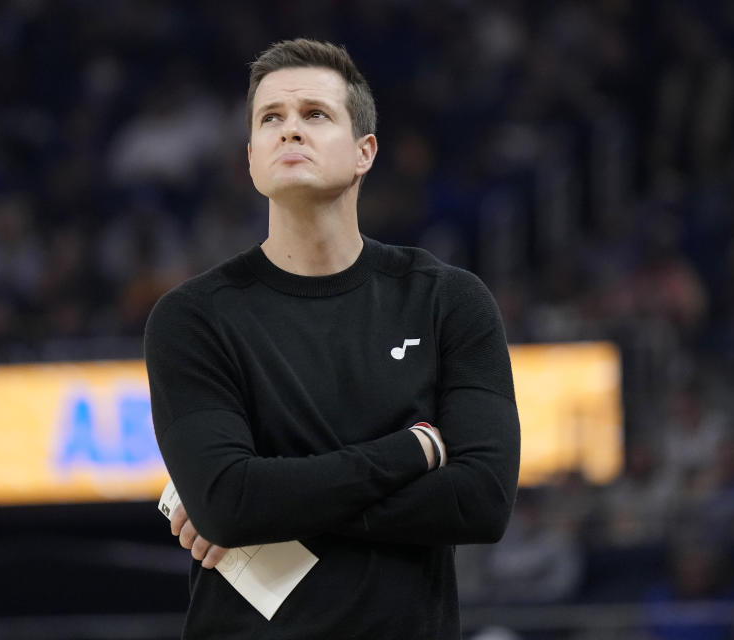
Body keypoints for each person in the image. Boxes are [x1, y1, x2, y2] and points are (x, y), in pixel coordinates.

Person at [144, 38, 520, 639]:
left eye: (314, 115)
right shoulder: (191, 318)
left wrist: (265, 503)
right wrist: (410, 453)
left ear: (364, 151)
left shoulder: (447, 299)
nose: (290, 131)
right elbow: (226, 503)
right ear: (250, 159)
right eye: (272, 119)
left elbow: (482, 500)